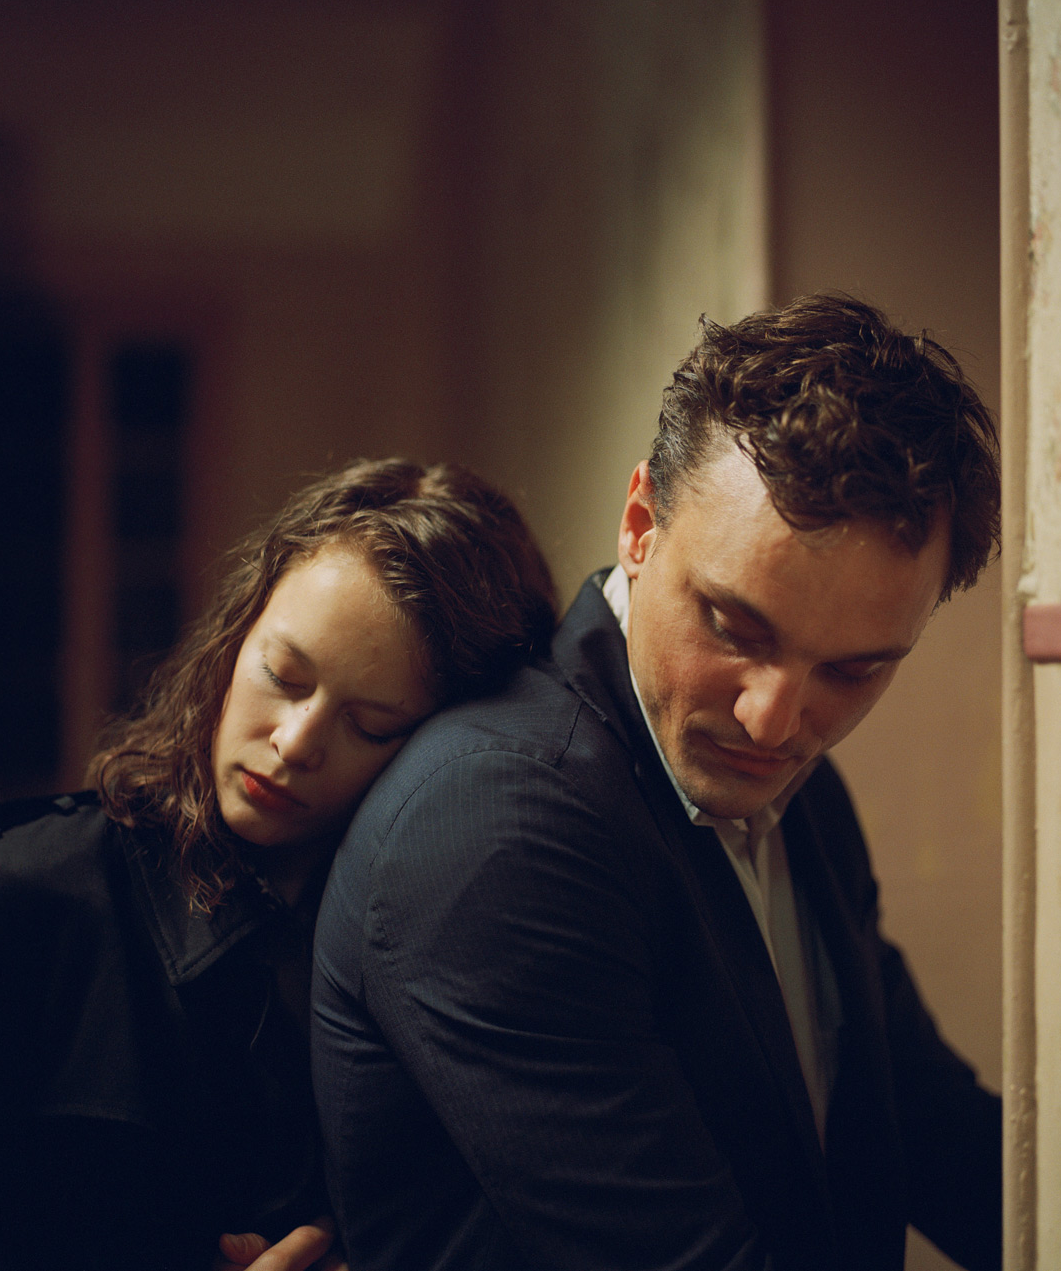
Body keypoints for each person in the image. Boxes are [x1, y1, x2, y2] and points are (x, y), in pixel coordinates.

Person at [313, 294, 1005, 1271]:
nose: (774, 719)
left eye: (852, 670)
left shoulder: (803, 797)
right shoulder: (493, 822)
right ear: (640, 525)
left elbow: (932, 1129)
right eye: (733, 626)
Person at [0, 458, 555, 1271]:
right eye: (282, 674)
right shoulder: (6, 890)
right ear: (237, 633)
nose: (294, 741)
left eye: (370, 724)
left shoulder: (445, 971)